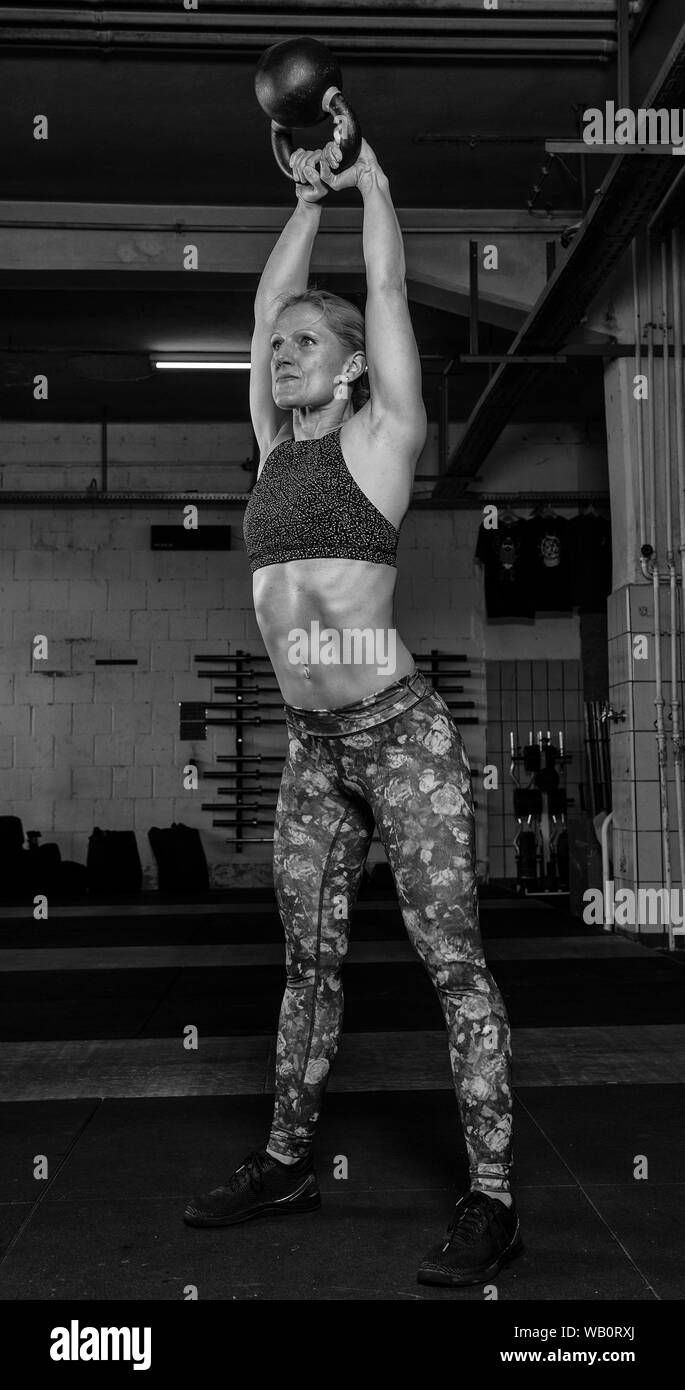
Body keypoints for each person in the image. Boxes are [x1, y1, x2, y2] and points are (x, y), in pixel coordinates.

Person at [184, 136, 521, 1287]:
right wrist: (300, 197)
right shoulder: (272, 449)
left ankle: (491, 1198)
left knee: (451, 962)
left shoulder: (384, 443)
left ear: (350, 372)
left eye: (303, 346)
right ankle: (284, 1160)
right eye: (275, 349)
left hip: (401, 735)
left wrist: (369, 183)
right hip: (314, 750)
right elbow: (273, 294)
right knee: (306, 962)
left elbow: (376, 291)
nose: (281, 353)